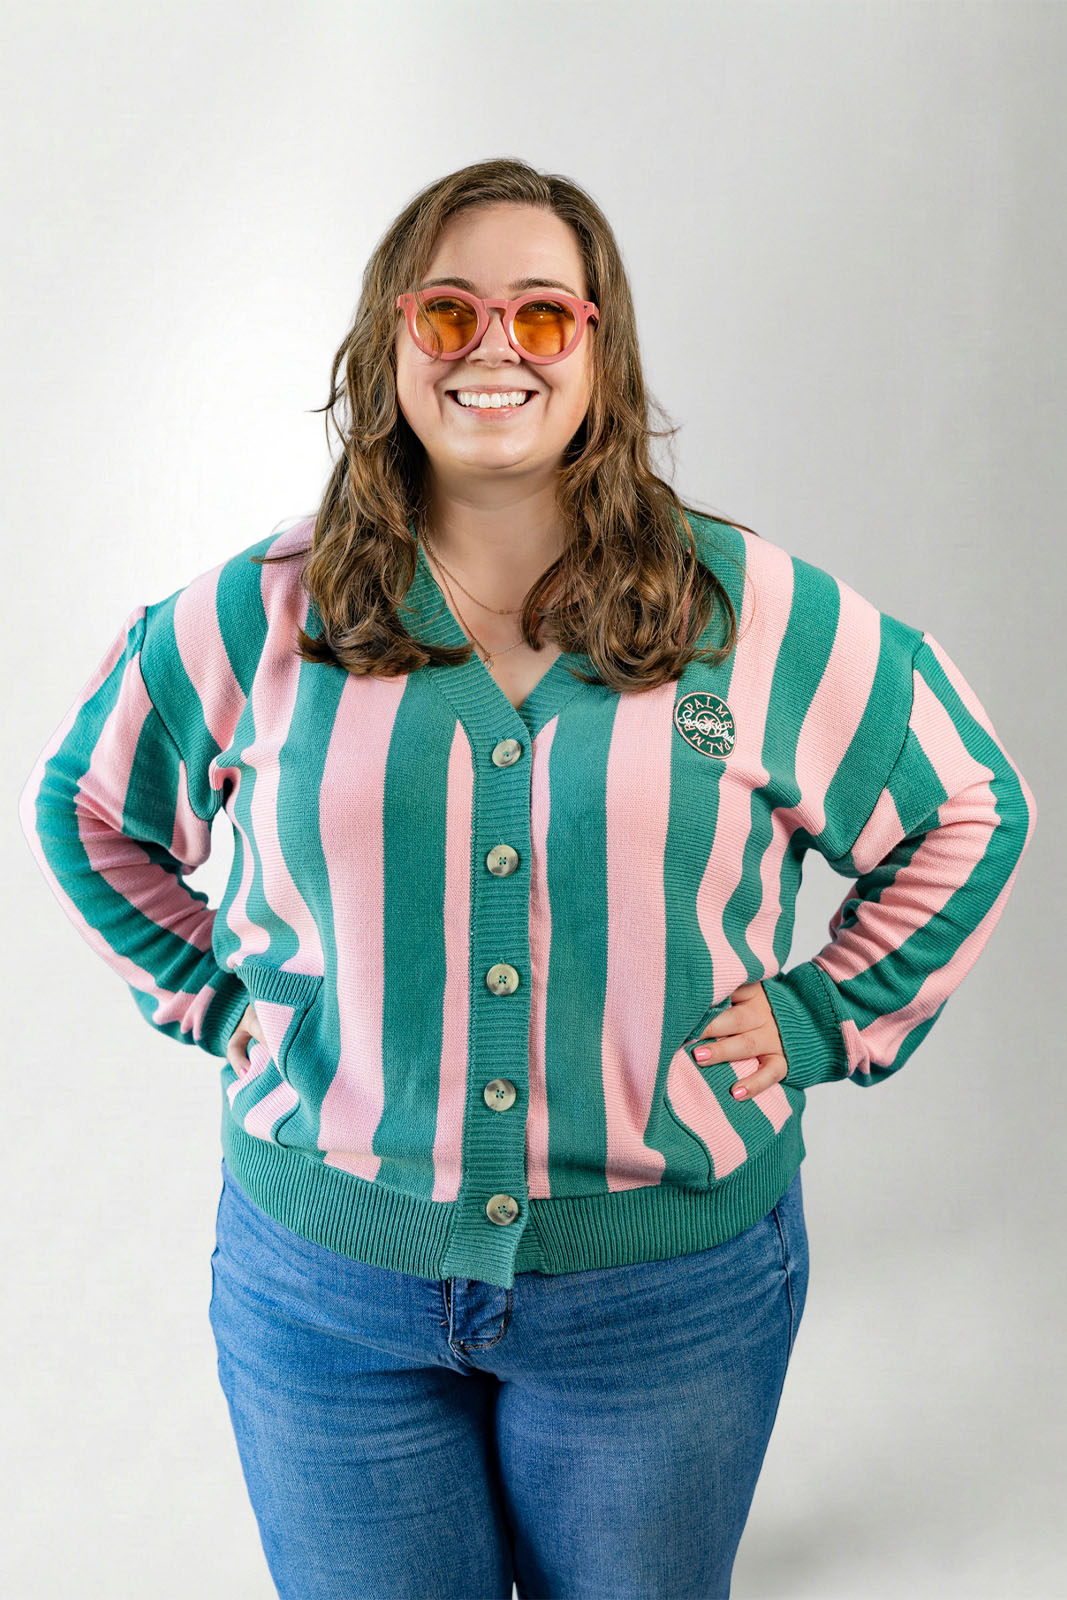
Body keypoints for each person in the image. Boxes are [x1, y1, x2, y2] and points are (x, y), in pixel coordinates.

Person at [19, 157, 1037, 1600]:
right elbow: (88, 803)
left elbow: (971, 802)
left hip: (664, 1302)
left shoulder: (754, 617)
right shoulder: (260, 613)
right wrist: (204, 991)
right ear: (388, 350)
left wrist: (827, 1015)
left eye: (544, 317)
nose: (496, 347)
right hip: (326, 1293)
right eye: (448, 314)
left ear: (602, 358)